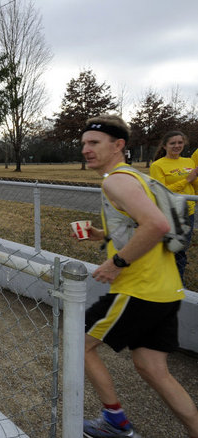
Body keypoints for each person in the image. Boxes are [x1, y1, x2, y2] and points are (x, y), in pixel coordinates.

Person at [76, 114, 198, 438]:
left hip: (139, 290)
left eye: (94, 142)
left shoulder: (115, 181)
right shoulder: (134, 177)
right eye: (84, 143)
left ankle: (114, 423)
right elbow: (139, 224)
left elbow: (156, 225)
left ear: (118, 145)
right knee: (153, 370)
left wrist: (116, 263)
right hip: (166, 290)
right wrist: (101, 234)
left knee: (78, 342)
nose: (86, 149)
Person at [149, 130, 198, 282]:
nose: (177, 146)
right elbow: (161, 191)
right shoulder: (157, 165)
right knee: (168, 249)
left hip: (188, 211)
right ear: (164, 146)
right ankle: (161, 280)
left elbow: (194, 185)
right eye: (173, 143)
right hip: (169, 212)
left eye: (180, 142)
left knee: (181, 250)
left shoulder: (189, 162)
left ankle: (178, 283)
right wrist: (187, 180)